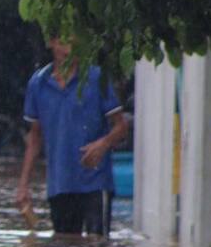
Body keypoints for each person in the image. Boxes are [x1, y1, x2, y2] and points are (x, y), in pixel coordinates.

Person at [15, 38, 129, 236]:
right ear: (51, 43)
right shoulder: (38, 83)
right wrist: (23, 185)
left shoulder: (96, 78)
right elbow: (35, 138)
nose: (68, 48)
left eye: (73, 42)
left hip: (96, 181)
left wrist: (103, 144)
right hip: (60, 183)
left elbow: (121, 126)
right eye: (63, 42)